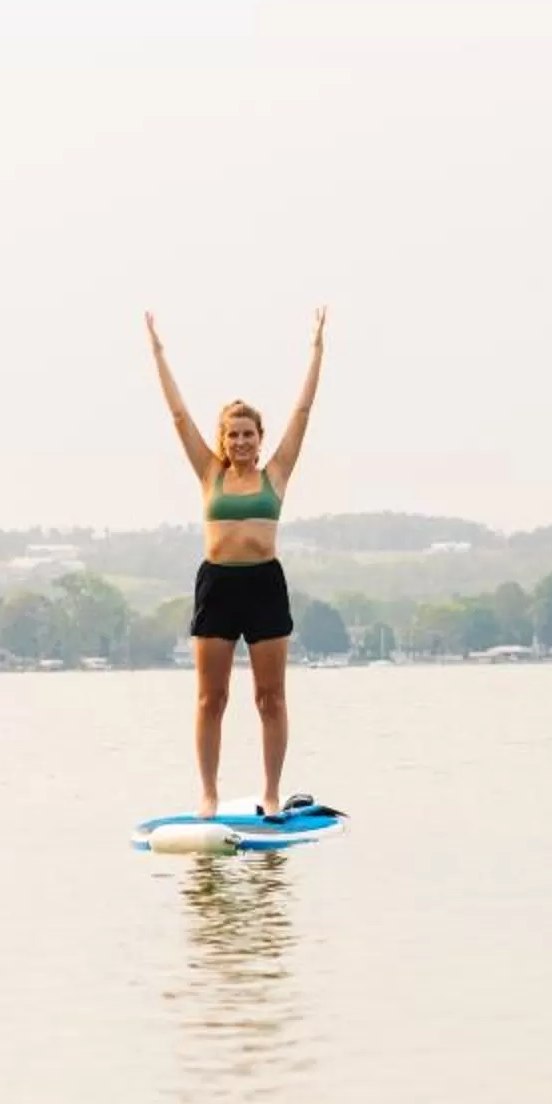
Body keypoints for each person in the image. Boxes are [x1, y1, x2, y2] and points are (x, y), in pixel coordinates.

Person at [150, 308, 325, 817]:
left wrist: (316, 350)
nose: (241, 442)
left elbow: (303, 412)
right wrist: (159, 352)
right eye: (233, 435)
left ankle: (271, 792)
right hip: (218, 587)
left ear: (260, 438)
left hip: (264, 586)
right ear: (222, 440)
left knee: (270, 698)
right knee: (212, 699)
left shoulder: (277, 473)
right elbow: (178, 416)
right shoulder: (209, 473)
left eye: (249, 434)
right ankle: (208, 792)